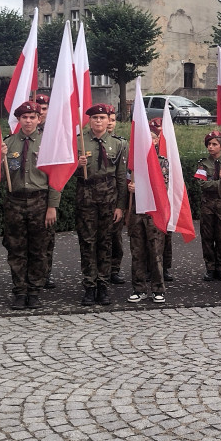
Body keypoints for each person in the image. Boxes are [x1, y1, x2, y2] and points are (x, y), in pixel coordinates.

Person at [1, 101, 59, 309]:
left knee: (38, 248)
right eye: (24, 117)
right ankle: (19, 290)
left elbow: (55, 177)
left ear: (39, 119)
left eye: (32, 117)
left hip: (40, 201)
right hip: (14, 201)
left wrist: (52, 205)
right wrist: (0, 159)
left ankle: (34, 290)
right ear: (19, 119)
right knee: (15, 248)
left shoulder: (48, 144)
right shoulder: (8, 143)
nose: (28, 120)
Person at [75, 104, 127, 306]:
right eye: (95, 117)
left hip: (109, 198)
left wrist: (120, 206)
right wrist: (77, 166)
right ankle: (89, 286)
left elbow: (121, 177)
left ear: (109, 120)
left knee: (105, 242)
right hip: (86, 196)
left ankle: (103, 285)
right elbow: (66, 173)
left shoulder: (119, 144)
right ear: (89, 120)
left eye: (102, 118)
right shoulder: (79, 142)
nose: (98, 121)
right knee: (87, 242)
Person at [127, 118, 168, 304]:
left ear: (157, 141)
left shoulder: (162, 162)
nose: (147, 142)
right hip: (136, 212)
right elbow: (124, 183)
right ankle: (139, 288)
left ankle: (158, 288)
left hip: (154, 213)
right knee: (137, 252)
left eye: (151, 138)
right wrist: (130, 188)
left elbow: (163, 186)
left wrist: (141, 189)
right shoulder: (133, 164)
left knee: (155, 252)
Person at [194, 131, 221, 281]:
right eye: (209, 144)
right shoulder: (203, 164)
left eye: (214, 144)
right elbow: (202, 184)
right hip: (208, 205)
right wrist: (220, 181)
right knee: (207, 237)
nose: (210, 147)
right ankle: (210, 267)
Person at [34, 92, 57, 289]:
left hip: (48, 190)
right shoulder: (22, 128)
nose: (41, 112)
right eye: (38, 109)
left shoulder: (54, 133)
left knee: (47, 235)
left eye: (44, 109)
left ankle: (46, 272)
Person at [106, 105, 127, 285]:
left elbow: (123, 176)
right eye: (108, 119)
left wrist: (122, 203)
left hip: (113, 196)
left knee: (115, 236)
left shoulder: (121, 144)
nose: (110, 123)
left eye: (113, 120)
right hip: (94, 198)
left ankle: (114, 268)